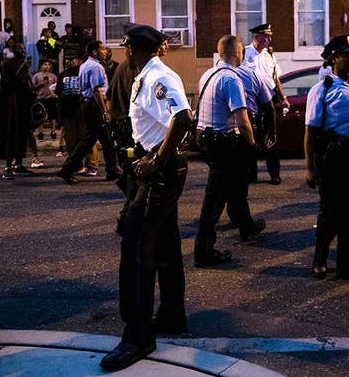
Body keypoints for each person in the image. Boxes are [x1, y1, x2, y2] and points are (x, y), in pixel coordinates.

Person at [99, 24, 193, 371]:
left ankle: (137, 337)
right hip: (157, 168)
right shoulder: (148, 75)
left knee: (136, 251)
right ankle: (170, 314)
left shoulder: (158, 77)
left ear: (132, 51)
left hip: (158, 173)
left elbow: (182, 118)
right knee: (165, 245)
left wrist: (157, 159)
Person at [305, 35, 349, 282]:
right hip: (335, 157)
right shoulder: (322, 88)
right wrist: (310, 168)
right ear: (334, 59)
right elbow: (311, 131)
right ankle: (320, 260)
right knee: (330, 212)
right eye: (347, 55)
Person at [194, 35, 264, 267]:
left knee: (232, 185)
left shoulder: (208, 74)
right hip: (222, 142)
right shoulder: (231, 79)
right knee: (215, 198)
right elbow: (242, 120)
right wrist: (253, 144)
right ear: (239, 53)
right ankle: (203, 250)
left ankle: (247, 226)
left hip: (206, 139)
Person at [56, 41, 121, 183]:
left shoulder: (85, 65)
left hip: (88, 104)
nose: (105, 51)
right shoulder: (96, 66)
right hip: (95, 105)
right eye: (102, 49)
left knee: (107, 139)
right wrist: (104, 110)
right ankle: (67, 169)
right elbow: (96, 90)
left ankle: (112, 169)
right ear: (94, 52)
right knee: (88, 141)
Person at [244, 23, 287, 184]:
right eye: (266, 36)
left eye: (270, 36)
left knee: (272, 136)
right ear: (257, 37)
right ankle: (251, 174)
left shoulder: (269, 54)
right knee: (251, 137)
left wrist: (283, 97)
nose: (269, 39)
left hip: (269, 99)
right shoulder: (244, 54)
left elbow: (276, 78)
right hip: (252, 100)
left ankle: (274, 174)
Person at [0, 40, 35, 179]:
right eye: (19, 48)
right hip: (11, 104)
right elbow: (11, 83)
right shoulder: (7, 65)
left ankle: (18, 163)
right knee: (10, 134)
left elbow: (26, 85)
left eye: (23, 48)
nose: (23, 51)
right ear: (13, 50)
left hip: (22, 103)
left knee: (22, 134)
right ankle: (8, 166)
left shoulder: (22, 65)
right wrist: (24, 69)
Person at [32, 60, 58, 142]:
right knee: (41, 116)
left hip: (50, 98)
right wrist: (40, 84)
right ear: (41, 66)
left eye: (48, 65)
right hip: (40, 98)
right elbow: (32, 87)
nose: (47, 66)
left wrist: (54, 94)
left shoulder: (53, 76)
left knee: (52, 115)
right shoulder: (37, 76)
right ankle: (40, 133)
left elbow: (57, 86)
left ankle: (53, 132)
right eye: (45, 64)